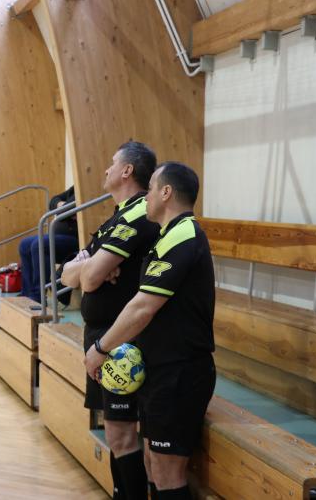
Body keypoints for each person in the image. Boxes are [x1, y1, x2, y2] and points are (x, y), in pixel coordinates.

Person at [83, 162, 216, 500]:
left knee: (168, 473)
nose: (147, 198)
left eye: (152, 189)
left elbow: (143, 306)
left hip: (180, 372)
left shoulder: (184, 235)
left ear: (166, 192)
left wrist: (100, 348)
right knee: (154, 464)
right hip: (161, 369)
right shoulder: (167, 235)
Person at [61, 140, 159, 500]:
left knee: (123, 434)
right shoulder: (116, 217)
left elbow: (86, 280)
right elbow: (67, 275)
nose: (106, 169)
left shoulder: (138, 214)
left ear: (127, 171)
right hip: (100, 335)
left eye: (112, 163)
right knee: (116, 435)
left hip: (121, 341)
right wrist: (92, 266)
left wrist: (88, 269)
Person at [18, 186, 78, 303]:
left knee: (40, 244)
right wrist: (62, 205)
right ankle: (27, 292)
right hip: (58, 237)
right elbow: (53, 201)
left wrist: (62, 208)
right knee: (24, 244)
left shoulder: (86, 188)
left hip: (76, 239)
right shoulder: (74, 189)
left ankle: (38, 295)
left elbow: (64, 211)